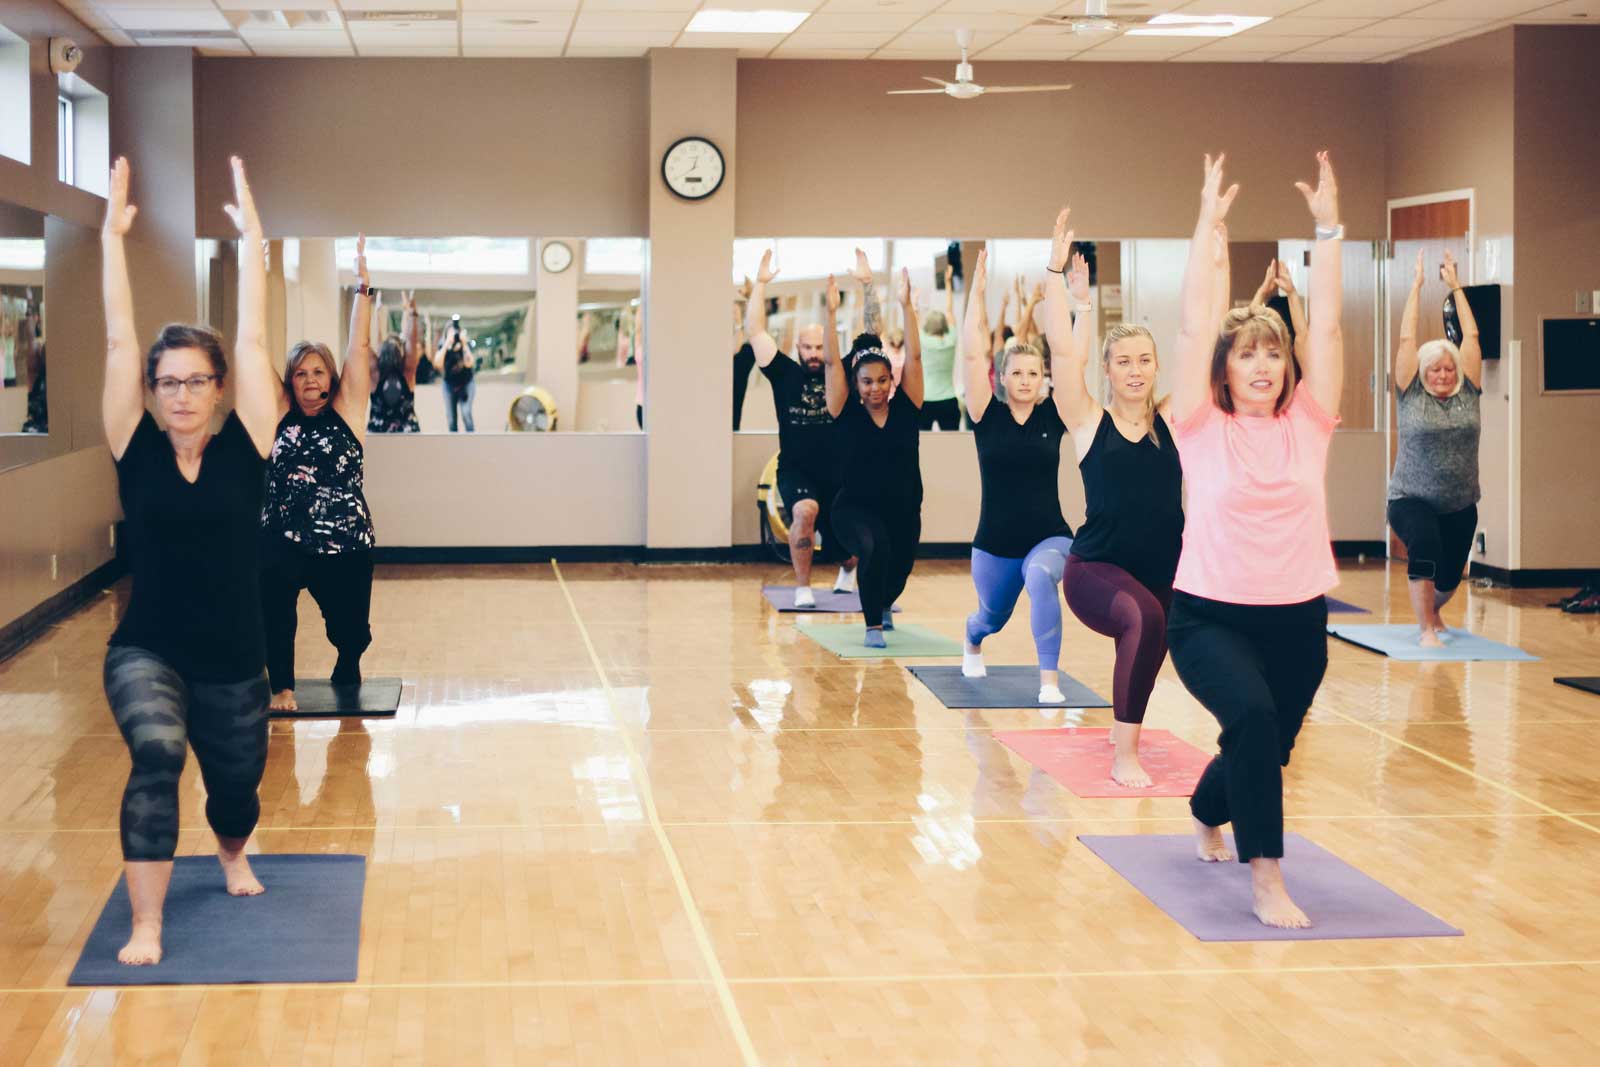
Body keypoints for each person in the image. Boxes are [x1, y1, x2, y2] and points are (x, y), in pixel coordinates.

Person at [99, 155, 280, 965]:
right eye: (166, 381)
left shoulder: (251, 448)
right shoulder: (131, 447)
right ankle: (148, 923)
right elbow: (115, 335)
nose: (180, 393)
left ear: (218, 389)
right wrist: (110, 239)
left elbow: (254, 335)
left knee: (236, 786)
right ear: (150, 389)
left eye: (196, 380)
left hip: (237, 655)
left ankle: (231, 848)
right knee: (158, 751)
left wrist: (256, 250)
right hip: (147, 645)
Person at [1165, 152, 1344, 929]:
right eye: (1247, 353)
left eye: (1273, 351)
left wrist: (1329, 230)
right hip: (1208, 615)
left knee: (1264, 745)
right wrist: (1209, 228)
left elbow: (1330, 325)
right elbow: (1191, 321)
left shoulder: (1311, 422)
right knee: (1253, 719)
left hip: (1299, 617)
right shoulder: (1200, 428)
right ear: (1225, 370)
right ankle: (1266, 876)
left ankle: (1208, 806)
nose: (1263, 364)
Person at [1038, 210, 1186, 789]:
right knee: (1141, 618)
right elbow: (1060, 349)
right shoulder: (1087, 422)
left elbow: (1203, 345)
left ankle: (1122, 728)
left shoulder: (1174, 418)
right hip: (1094, 570)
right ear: (1106, 370)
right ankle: (1126, 753)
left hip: (1162, 570)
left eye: (1144, 360)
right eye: (1122, 361)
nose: (1134, 370)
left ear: (1156, 368)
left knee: (1155, 638)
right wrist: (1058, 276)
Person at [259, 236, 379, 713]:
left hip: (345, 541)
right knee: (275, 611)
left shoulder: (349, 411)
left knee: (350, 629)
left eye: (319, 372)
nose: (312, 380)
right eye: (302, 373)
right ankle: (281, 687)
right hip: (282, 536)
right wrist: (265, 273)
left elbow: (360, 346)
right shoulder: (276, 414)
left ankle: (348, 657)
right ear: (291, 381)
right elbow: (257, 343)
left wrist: (363, 291)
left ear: (331, 378)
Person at [958, 246, 1077, 705]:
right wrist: (979, 292)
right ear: (1002, 378)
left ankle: (1049, 682)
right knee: (991, 617)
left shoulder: (1054, 416)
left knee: (1042, 576)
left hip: (1050, 536)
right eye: (1017, 372)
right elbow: (972, 354)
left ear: (1044, 379)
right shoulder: (986, 416)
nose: (1026, 379)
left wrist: (1075, 299)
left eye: (1034, 372)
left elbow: (1072, 358)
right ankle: (972, 638)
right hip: (995, 545)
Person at [747, 249, 858, 605]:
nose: (813, 353)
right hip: (796, 469)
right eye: (807, 347)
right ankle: (803, 588)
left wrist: (863, 290)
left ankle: (848, 569)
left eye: (819, 347)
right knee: (804, 511)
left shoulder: (842, 371)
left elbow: (874, 336)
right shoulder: (784, 373)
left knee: (845, 549)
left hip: (838, 473)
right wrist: (761, 285)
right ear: (797, 348)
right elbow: (755, 331)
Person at [1389, 249, 1483, 646]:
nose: (1443, 374)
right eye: (1435, 370)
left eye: (1448, 368)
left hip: (1460, 502)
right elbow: (1407, 337)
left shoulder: (1469, 393)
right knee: (1424, 546)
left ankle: (1433, 612)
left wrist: (1457, 287)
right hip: (1411, 499)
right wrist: (1416, 287)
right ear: (1422, 374)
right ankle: (1426, 628)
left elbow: (1472, 336)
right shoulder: (1410, 394)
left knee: (1449, 576)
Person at [825, 267, 923, 646]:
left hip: (903, 508)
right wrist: (831, 314)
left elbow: (914, 355)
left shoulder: (906, 408)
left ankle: (883, 604)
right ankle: (873, 626)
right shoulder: (845, 410)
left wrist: (906, 306)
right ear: (856, 384)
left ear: (892, 380)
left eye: (882, 380)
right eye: (867, 381)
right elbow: (834, 363)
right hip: (854, 508)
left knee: (900, 568)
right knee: (872, 547)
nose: (875, 388)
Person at [368, 289, 423, 434]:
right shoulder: (407, 373)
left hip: (379, 432)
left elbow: (366, 342)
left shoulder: (375, 375)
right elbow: (410, 341)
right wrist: (412, 314)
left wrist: (368, 302)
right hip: (405, 431)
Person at [917, 269, 961, 430]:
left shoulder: (923, 340)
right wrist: (948, 282)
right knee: (952, 446)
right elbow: (950, 311)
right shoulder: (951, 340)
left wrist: (914, 300)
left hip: (925, 400)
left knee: (922, 446)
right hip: (948, 400)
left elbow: (914, 319)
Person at [438, 316, 476, 432]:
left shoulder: (464, 345)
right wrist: (446, 344)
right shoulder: (443, 346)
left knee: (466, 413)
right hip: (449, 385)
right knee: (451, 419)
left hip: (466, 383)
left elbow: (469, 363)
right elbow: (437, 364)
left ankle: (472, 443)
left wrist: (464, 344)